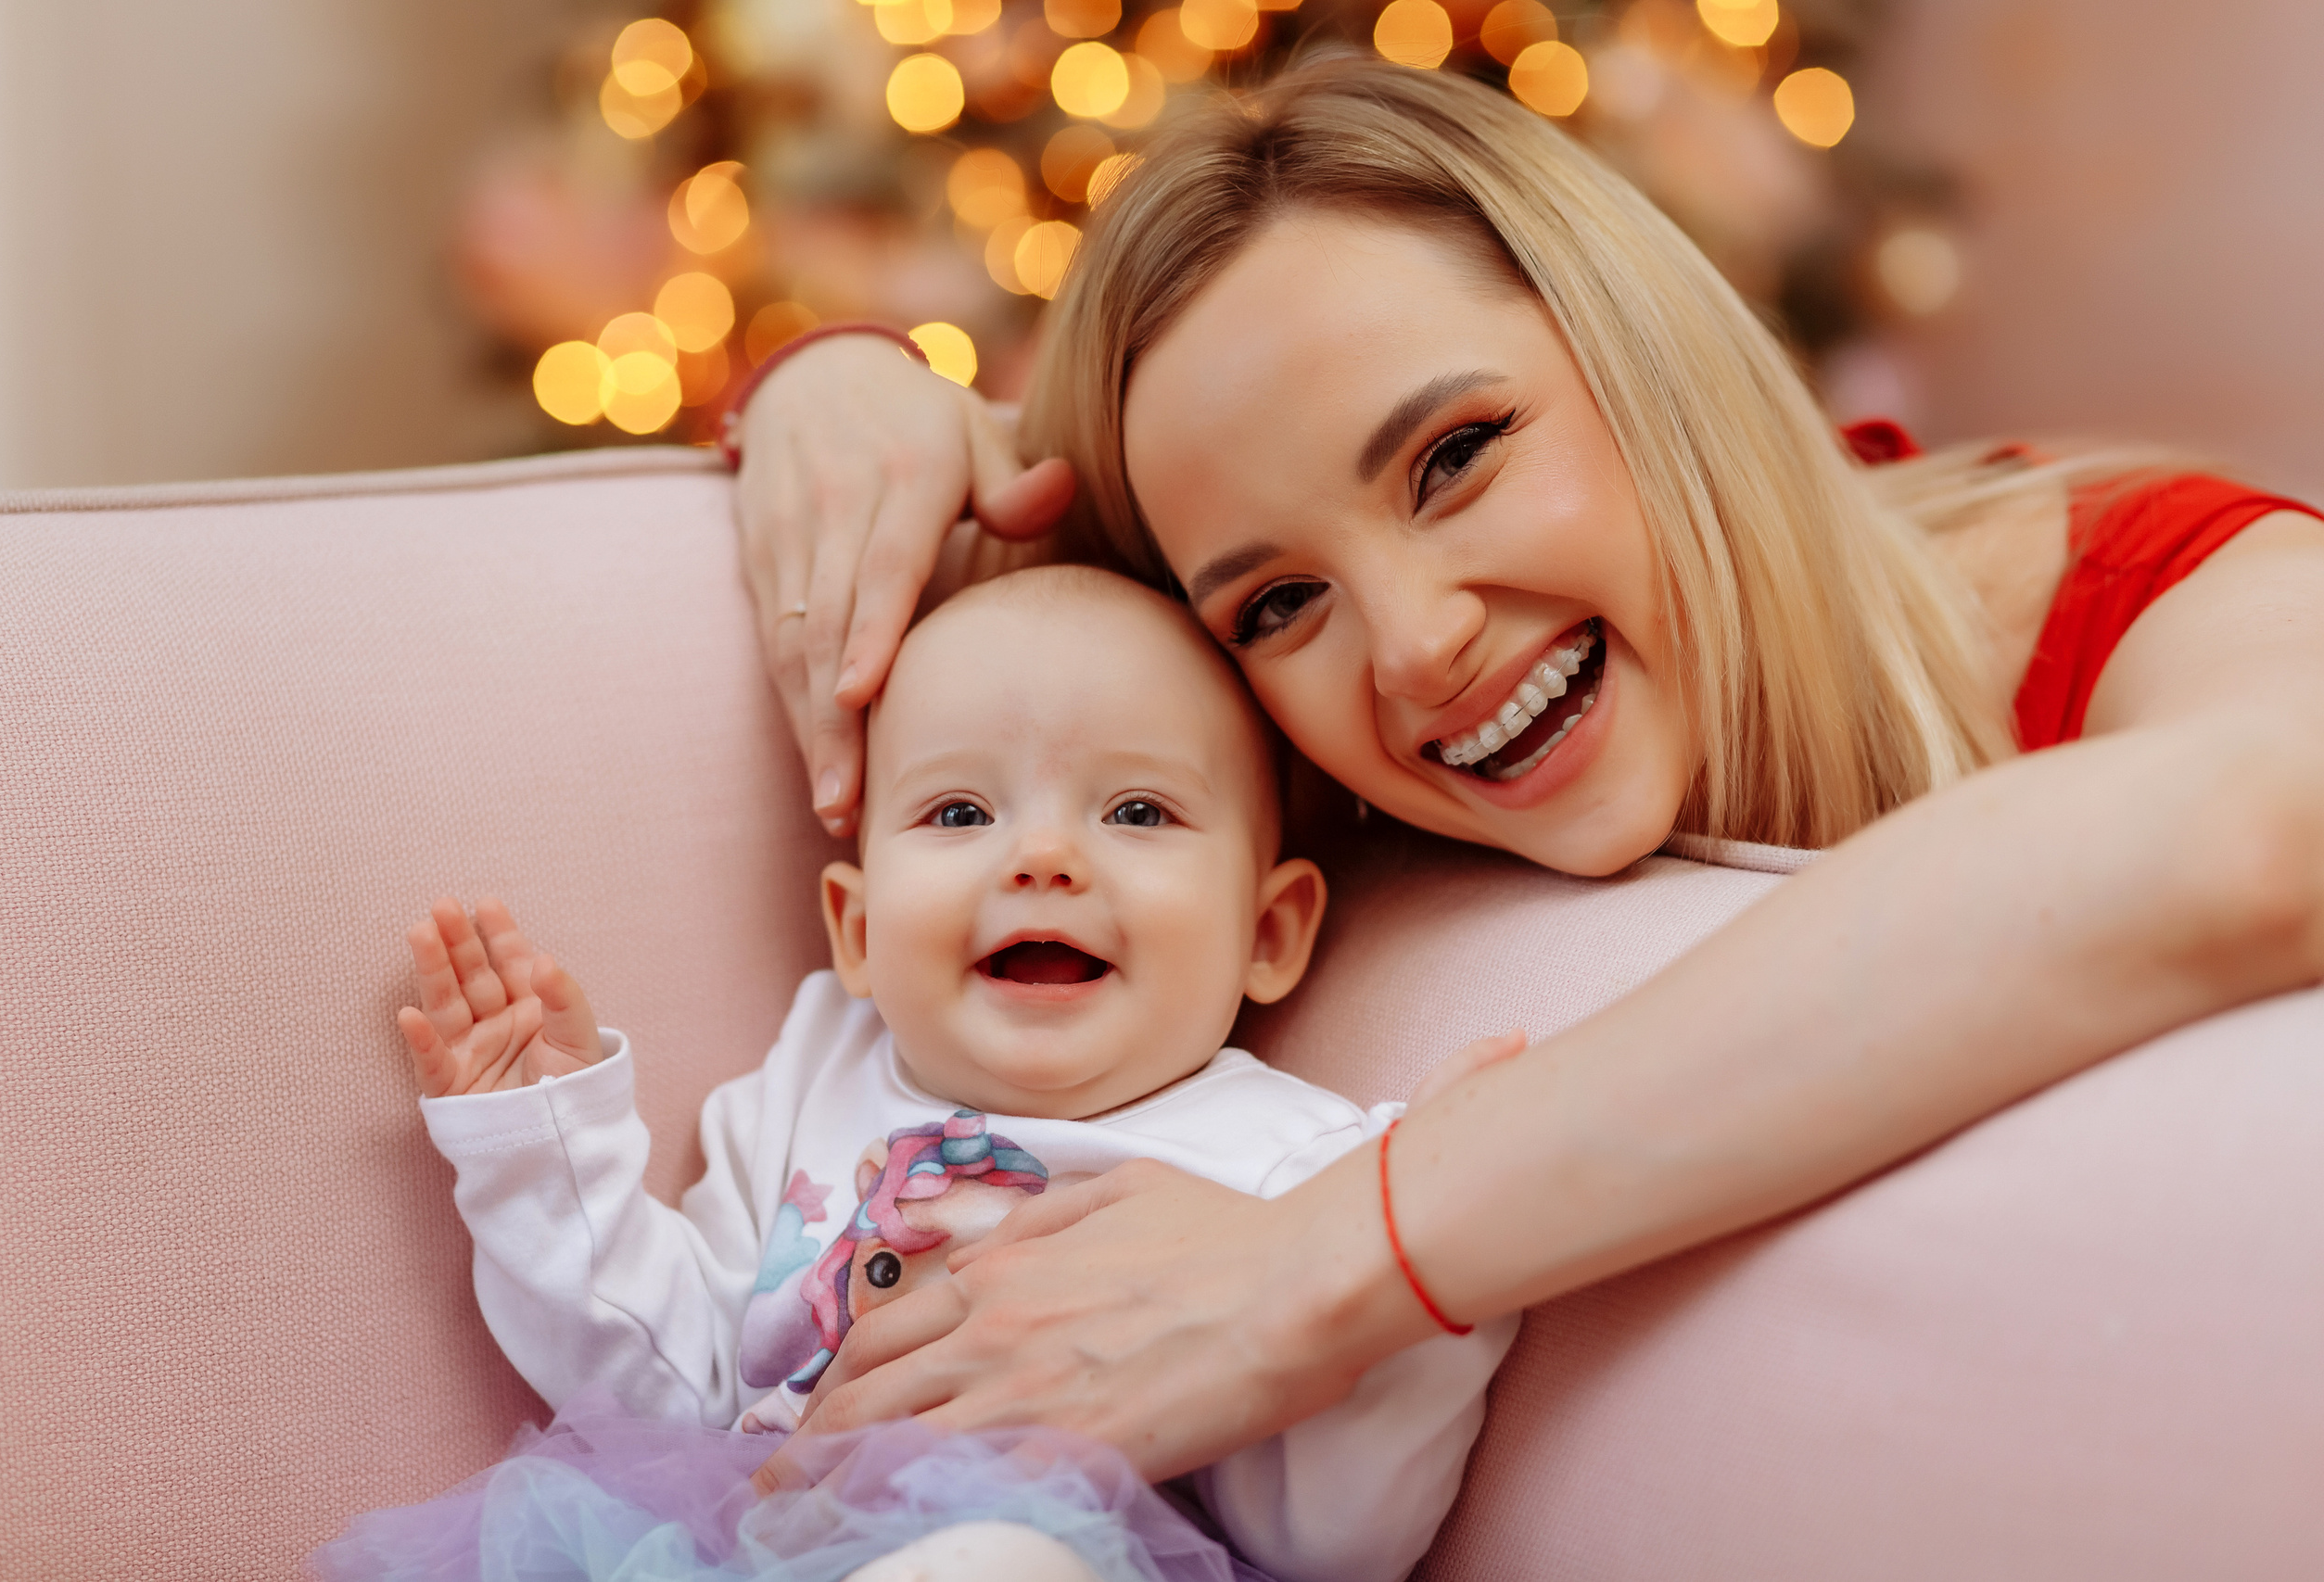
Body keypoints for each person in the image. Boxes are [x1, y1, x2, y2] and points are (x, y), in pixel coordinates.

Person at [726, 57, 2324, 1491]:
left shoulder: (2157, 584)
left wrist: (1323, 1266)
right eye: (1279, 603)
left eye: (1457, 456)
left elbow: (2263, 821)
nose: (1417, 649)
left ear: (1646, 352)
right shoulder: (1288, 751)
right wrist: (835, 379)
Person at [313, 566, 1516, 1582]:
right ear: (858, 930)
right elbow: (664, 1391)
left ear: (1269, 932)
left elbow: (1337, 1538)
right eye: (958, 814)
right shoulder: (815, 1072)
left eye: (1138, 811)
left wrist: (1447, 1250)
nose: (1043, 856)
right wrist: (544, 1142)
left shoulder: (1293, 1168)